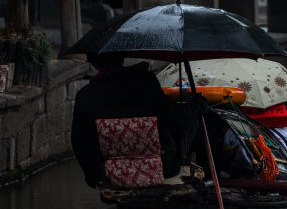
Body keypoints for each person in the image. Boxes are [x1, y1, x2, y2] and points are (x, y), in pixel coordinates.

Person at [71, 53, 207, 188]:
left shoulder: (85, 95)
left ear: (94, 64)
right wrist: (197, 102)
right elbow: (178, 119)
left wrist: (94, 177)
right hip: (163, 168)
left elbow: (80, 143)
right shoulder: (145, 81)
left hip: (108, 173)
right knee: (191, 124)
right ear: (122, 58)